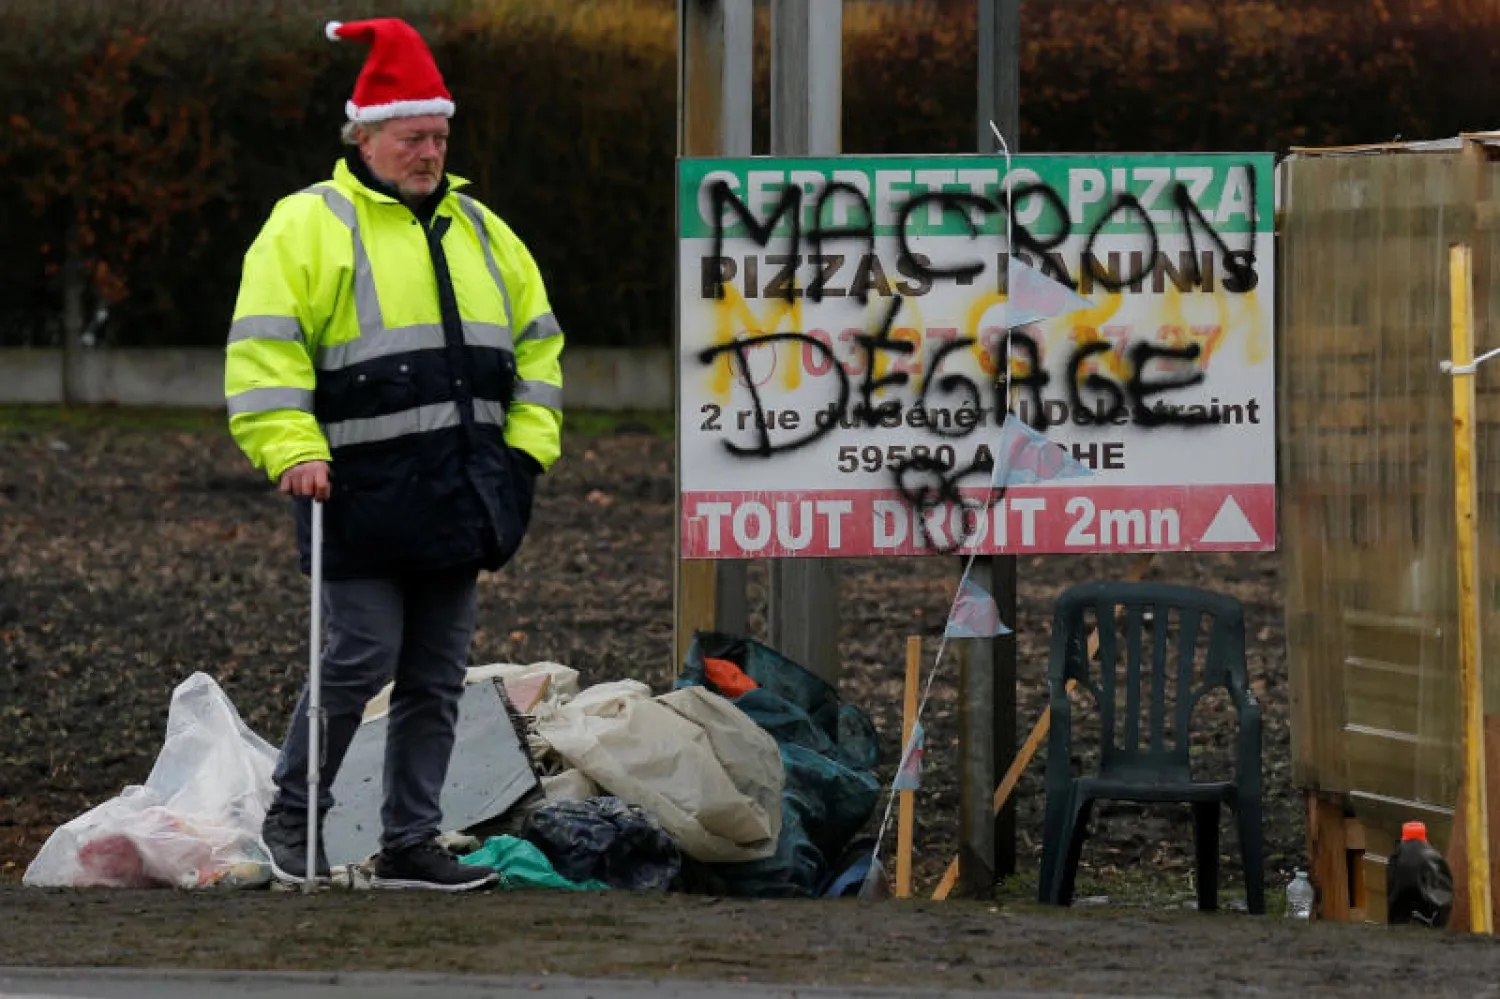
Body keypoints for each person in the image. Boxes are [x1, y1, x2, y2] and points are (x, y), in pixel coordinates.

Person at [223, 17, 564, 891]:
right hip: (355, 495)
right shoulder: (307, 225)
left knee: (437, 675)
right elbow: (266, 354)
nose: (429, 152)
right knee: (358, 657)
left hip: (461, 494)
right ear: (364, 136)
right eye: (414, 136)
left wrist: (522, 461)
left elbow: (540, 352)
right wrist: (290, 449)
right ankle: (294, 817)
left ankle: (410, 839)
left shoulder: (483, 230)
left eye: (440, 137)